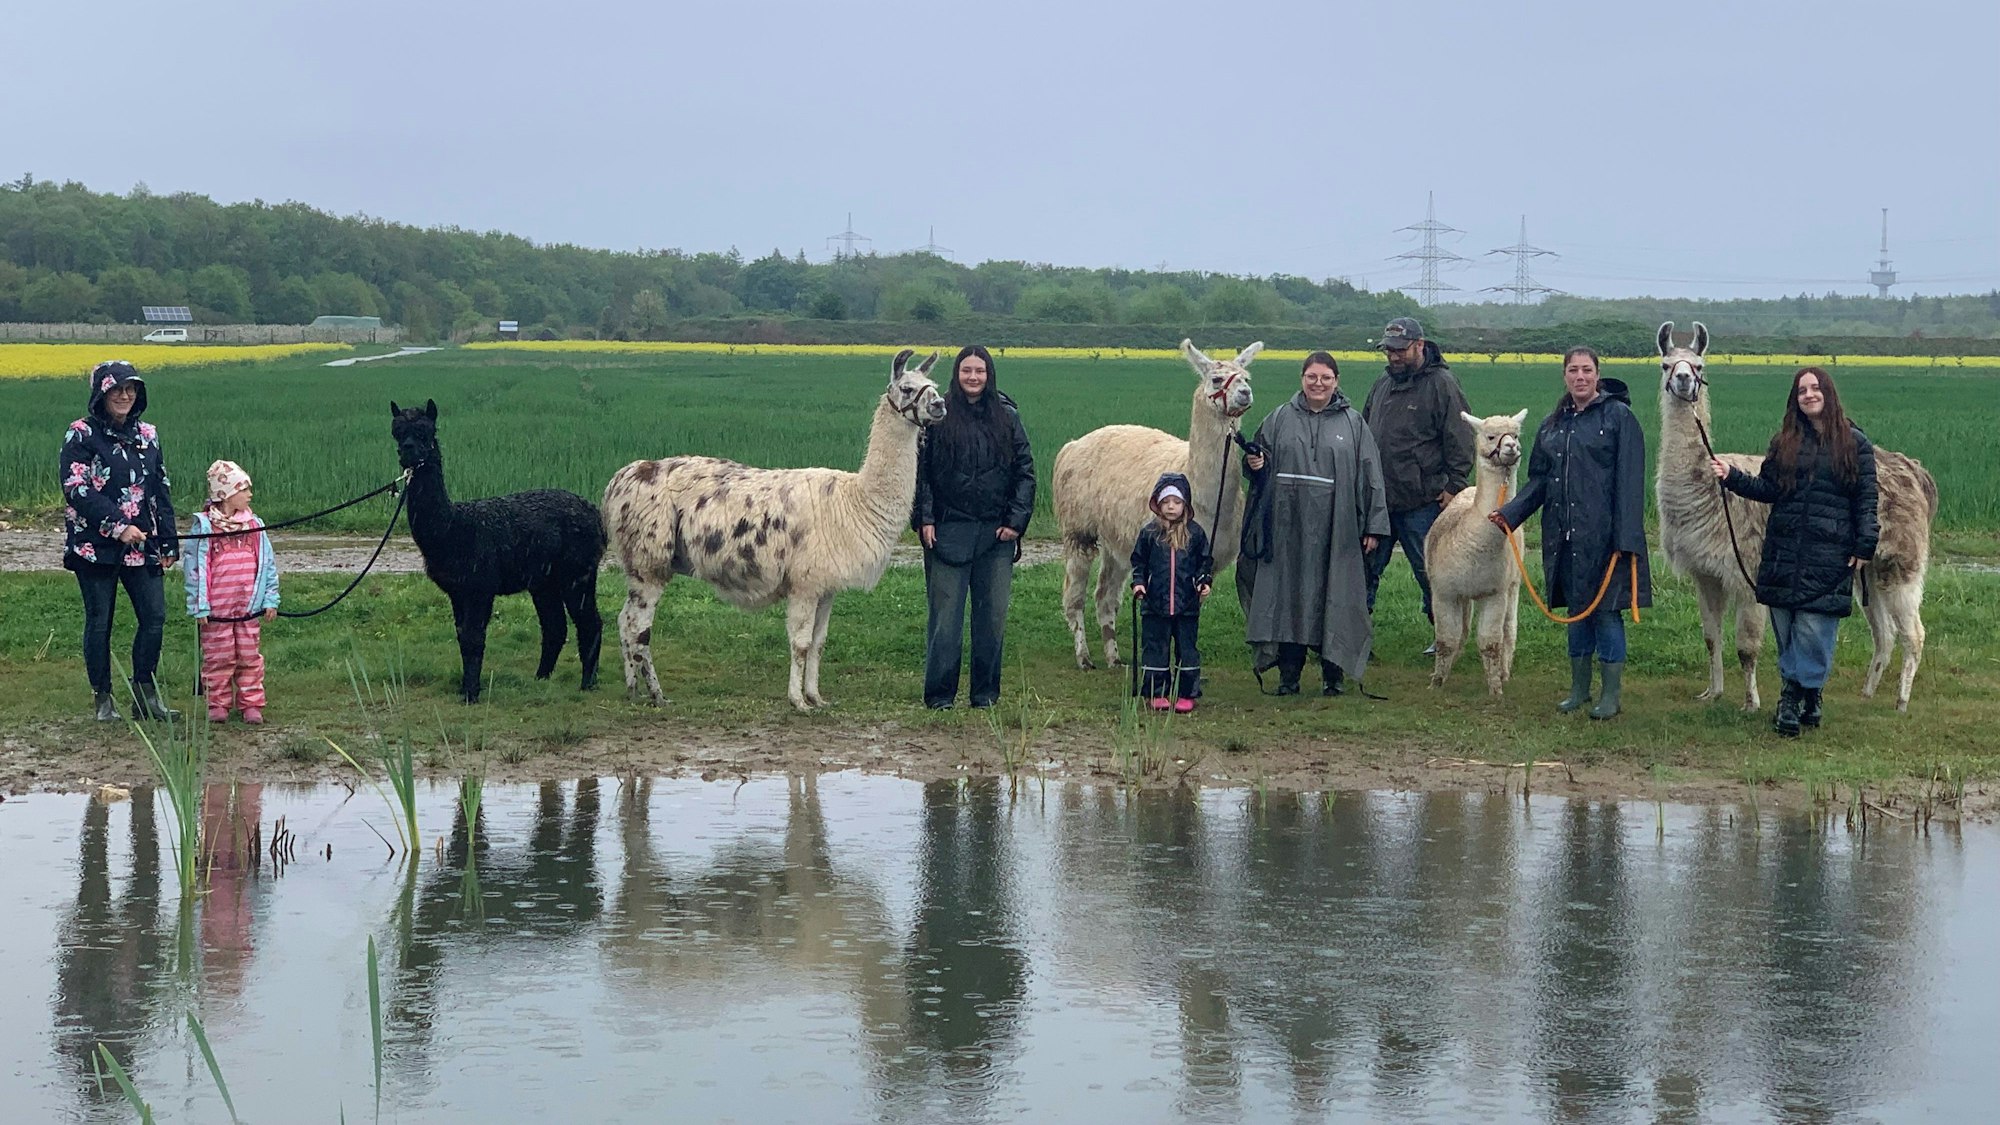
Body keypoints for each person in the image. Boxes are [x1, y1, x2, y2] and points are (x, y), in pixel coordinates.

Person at [1710, 367, 1877, 737]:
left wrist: (1865, 542)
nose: (1809, 395)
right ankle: (1800, 696)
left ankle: (1799, 696)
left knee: (1814, 629)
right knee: (1786, 627)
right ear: (1795, 399)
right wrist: (1732, 477)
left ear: (1828, 393)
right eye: (1802, 390)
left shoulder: (1854, 444)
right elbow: (1769, 489)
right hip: (1785, 549)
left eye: (1815, 388)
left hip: (1828, 550)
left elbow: (1866, 498)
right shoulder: (1784, 442)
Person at [1492, 346, 1652, 719]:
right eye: (1573, 370)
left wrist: (1626, 540)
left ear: (1598, 374)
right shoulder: (1553, 424)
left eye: (1587, 370)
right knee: (1577, 613)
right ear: (1564, 375)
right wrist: (1510, 514)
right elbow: (1540, 481)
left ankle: (1610, 696)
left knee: (1606, 614)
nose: (1580, 377)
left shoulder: (1619, 418)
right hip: (1564, 537)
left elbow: (1631, 482)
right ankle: (1579, 689)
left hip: (1607, 540)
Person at [1239, 351, 1389, 696]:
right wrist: (1254, 464)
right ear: (1302, 379)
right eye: (1312, 377)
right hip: (1286, 529)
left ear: (1336, 381)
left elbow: (1372, 477)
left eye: (1325, 378)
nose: (1318, 383)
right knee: (1287, 599)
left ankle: (1333, 677)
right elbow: (1257, 464)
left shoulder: (1353, 424)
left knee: (1334, 596)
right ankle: (1288, 677)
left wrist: (1374, 526)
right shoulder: (1279, 418)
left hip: (1337, 530)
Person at [913, 344, 1036, 709]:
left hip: (995, 535)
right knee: (945, 621)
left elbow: (1025, 472)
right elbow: (921, 473)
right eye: (966, 370)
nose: (973, 377)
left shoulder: (1007, 417)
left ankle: (985, 695)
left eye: (979, 371)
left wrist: (1015, 522)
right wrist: (924, 517)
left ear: (989, 374)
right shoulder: (937, 416)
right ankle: (940, 696)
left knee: (991, 620)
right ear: (957, 374)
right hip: (947, 530)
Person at [61, 359, 180, 722]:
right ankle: (103, 700)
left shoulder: (148, 434)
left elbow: (159, 487)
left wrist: (168, 541)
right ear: (101, 394)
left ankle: (146, 697)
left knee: (154, 617)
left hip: (143, 544)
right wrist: (117, 526)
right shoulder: (81, 434)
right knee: (100, 622)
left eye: (131, 390)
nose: (125, 396)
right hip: (94, 546)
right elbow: (76, 489)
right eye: (116, 390)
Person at [1362, 316, 1472, 653]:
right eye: (1389, 350)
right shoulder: (1382, 384)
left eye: (1400, 350)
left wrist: (1454, 486)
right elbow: (1364, 431)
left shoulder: (1442, 384)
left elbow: (1461, 438)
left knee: (1432, 575)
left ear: (1419, 346)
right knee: (1363, 572)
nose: (1393, 356)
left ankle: (1446, 640)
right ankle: (1353, 639)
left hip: (1423, 502)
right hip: (1380, 502)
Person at [184, 460, 282, 724]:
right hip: (217, 610)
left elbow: (267, 564)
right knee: (219, 657)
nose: (250, 494)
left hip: (248, 607)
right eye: (244, 489)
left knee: (249, 657)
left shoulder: (254, 525)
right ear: (226, 494)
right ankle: (218, 704)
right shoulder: (206, 528)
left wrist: (270, 599)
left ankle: (251, 704)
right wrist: (199, 605)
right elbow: (195, 569)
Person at [1129, 472, 1212, 712]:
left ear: (1185, 504)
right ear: (1157, 504)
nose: (1171, 507)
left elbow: (1204, 562)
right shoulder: (1149, 533)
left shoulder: (1196, 534)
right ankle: (1156, 692)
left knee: (1187, 649)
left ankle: (1187, 692)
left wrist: (1203, 580)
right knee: (1155, 648)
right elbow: (1139, 562)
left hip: (1187, 604)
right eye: (1166, 502)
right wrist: (1139, 583)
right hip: (1155, 604)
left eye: (1176, 502)